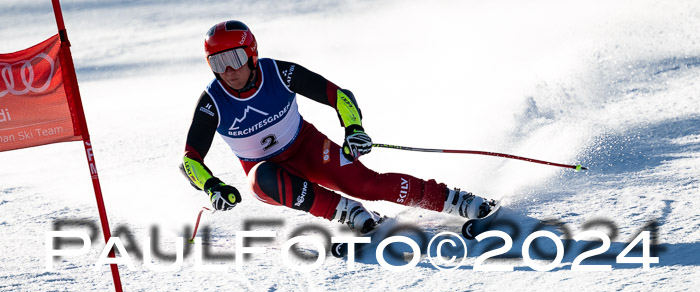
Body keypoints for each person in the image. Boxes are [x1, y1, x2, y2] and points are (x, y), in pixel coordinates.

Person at [180, 20, 494, 235]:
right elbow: (190, 158)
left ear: (251, 54)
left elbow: (338, 96)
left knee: (367, 185)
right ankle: (345, 212)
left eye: (235, 58)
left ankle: (454, 200)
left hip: (308, 148)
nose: (230, 70)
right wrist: (212, 187)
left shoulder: (279, 73)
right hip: (270, 176)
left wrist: (354, 128)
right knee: (260, 178)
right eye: (218, 63)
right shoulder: (213, 101)